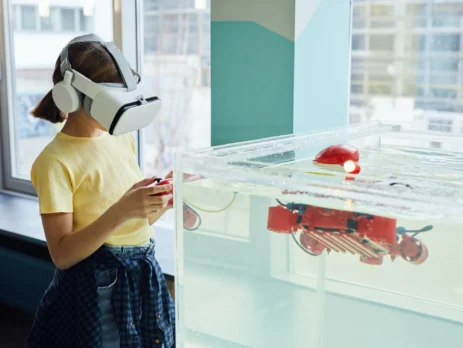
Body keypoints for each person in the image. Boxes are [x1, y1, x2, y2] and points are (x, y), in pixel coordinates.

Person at [26, 37, 175, 348]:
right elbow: (63, 255)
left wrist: (161, 200)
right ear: (71, 97)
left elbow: (134, 224)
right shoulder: (54, 161)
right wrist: (123, 209)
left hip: (143, 277)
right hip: (96, 290)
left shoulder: (120, 139)